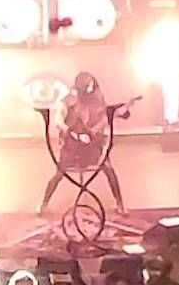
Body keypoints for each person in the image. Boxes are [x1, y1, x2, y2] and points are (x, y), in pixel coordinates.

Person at [40, 72, 125, 213]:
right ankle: (43, 204)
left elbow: (104, 120)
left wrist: (94, 131)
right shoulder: (67, 101)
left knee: (109, 169)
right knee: (59, 174)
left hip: (93, 147)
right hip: (71, 148)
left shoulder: (98, 101)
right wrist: (71, 133)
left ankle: (120, 204)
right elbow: (58, 121)